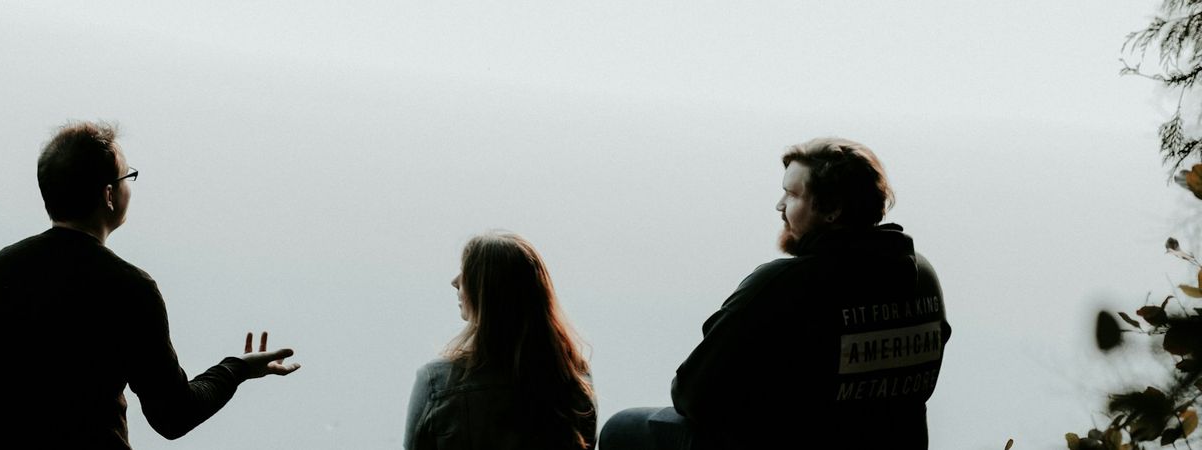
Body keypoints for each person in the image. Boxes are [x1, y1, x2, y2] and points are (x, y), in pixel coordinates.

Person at [0, 122, 301, 449]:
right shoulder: (127, 288)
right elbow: (173, 416)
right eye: (128, 176)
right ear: (109, 195)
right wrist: (238, 368)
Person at [600, 138, 949, 449]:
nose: (780, 205)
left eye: (794, 194)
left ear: (833, 210)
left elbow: (691, 395)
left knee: (623, 428)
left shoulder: (783, 284)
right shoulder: (923, 276)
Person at [404, 232, 597, 450]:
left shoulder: (436, 382)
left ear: (486, 294)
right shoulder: (573, 377)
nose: (455, 282)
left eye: (467, 273)